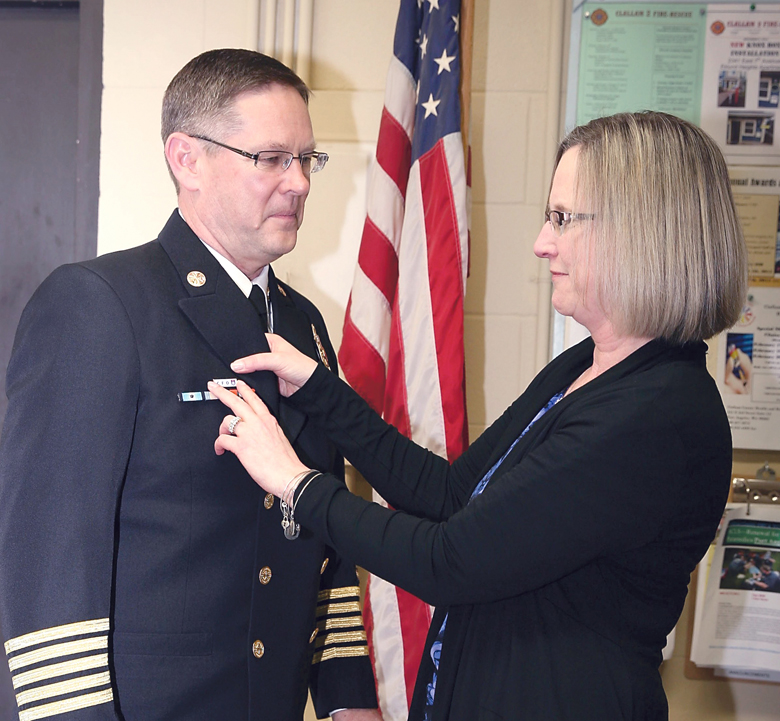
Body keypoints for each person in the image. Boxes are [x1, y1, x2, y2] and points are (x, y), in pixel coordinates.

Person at [208, 111, 748, 721]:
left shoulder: (657, 415)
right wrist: (317, 389)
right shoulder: (586, 366)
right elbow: (451, 493)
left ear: (645, 232)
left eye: (564, 219)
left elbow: (448, 561)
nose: (544, 242)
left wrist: (294, 484)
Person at [0, 49, 378, 721]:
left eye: (307, 159)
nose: (299, 183)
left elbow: (319, 524)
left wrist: (349, 698)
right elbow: (50, 560)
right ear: (187, 158)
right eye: (271, 158)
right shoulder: (100, 305)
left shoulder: (302, 323)